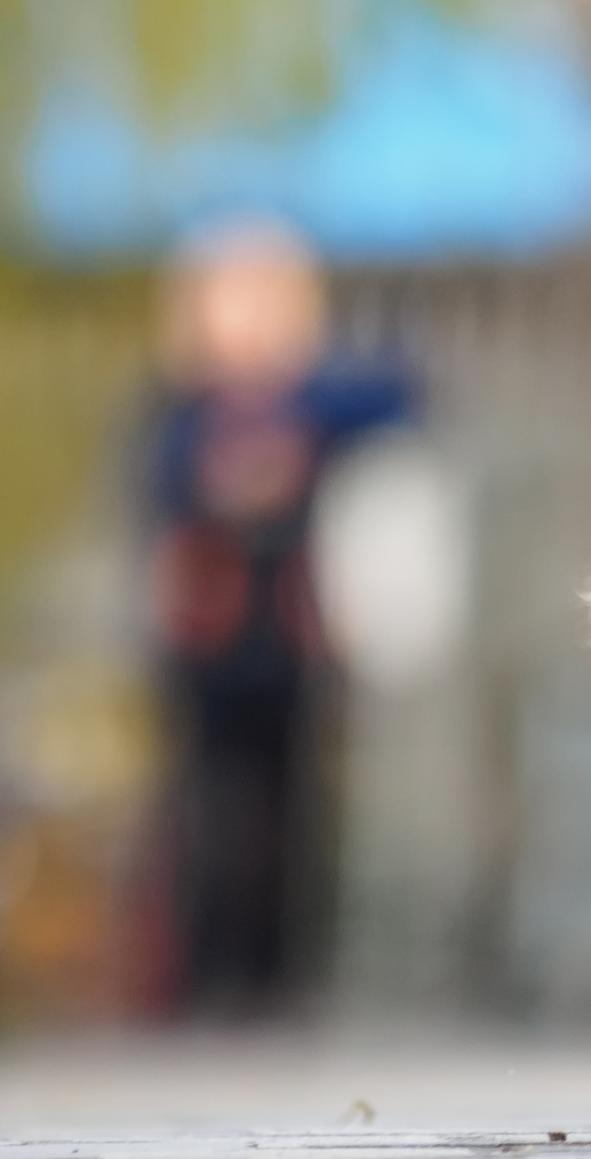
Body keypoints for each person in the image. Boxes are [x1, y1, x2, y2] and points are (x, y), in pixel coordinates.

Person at [141, 219, 413, 1018]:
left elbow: (402, 396)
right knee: (210, 816)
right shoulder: (182, 411)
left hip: (290, 642)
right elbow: (166, 499)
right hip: (208, 648)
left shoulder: (316, 398)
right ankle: (207, 978)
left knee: (295, 815)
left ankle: (277, 980)